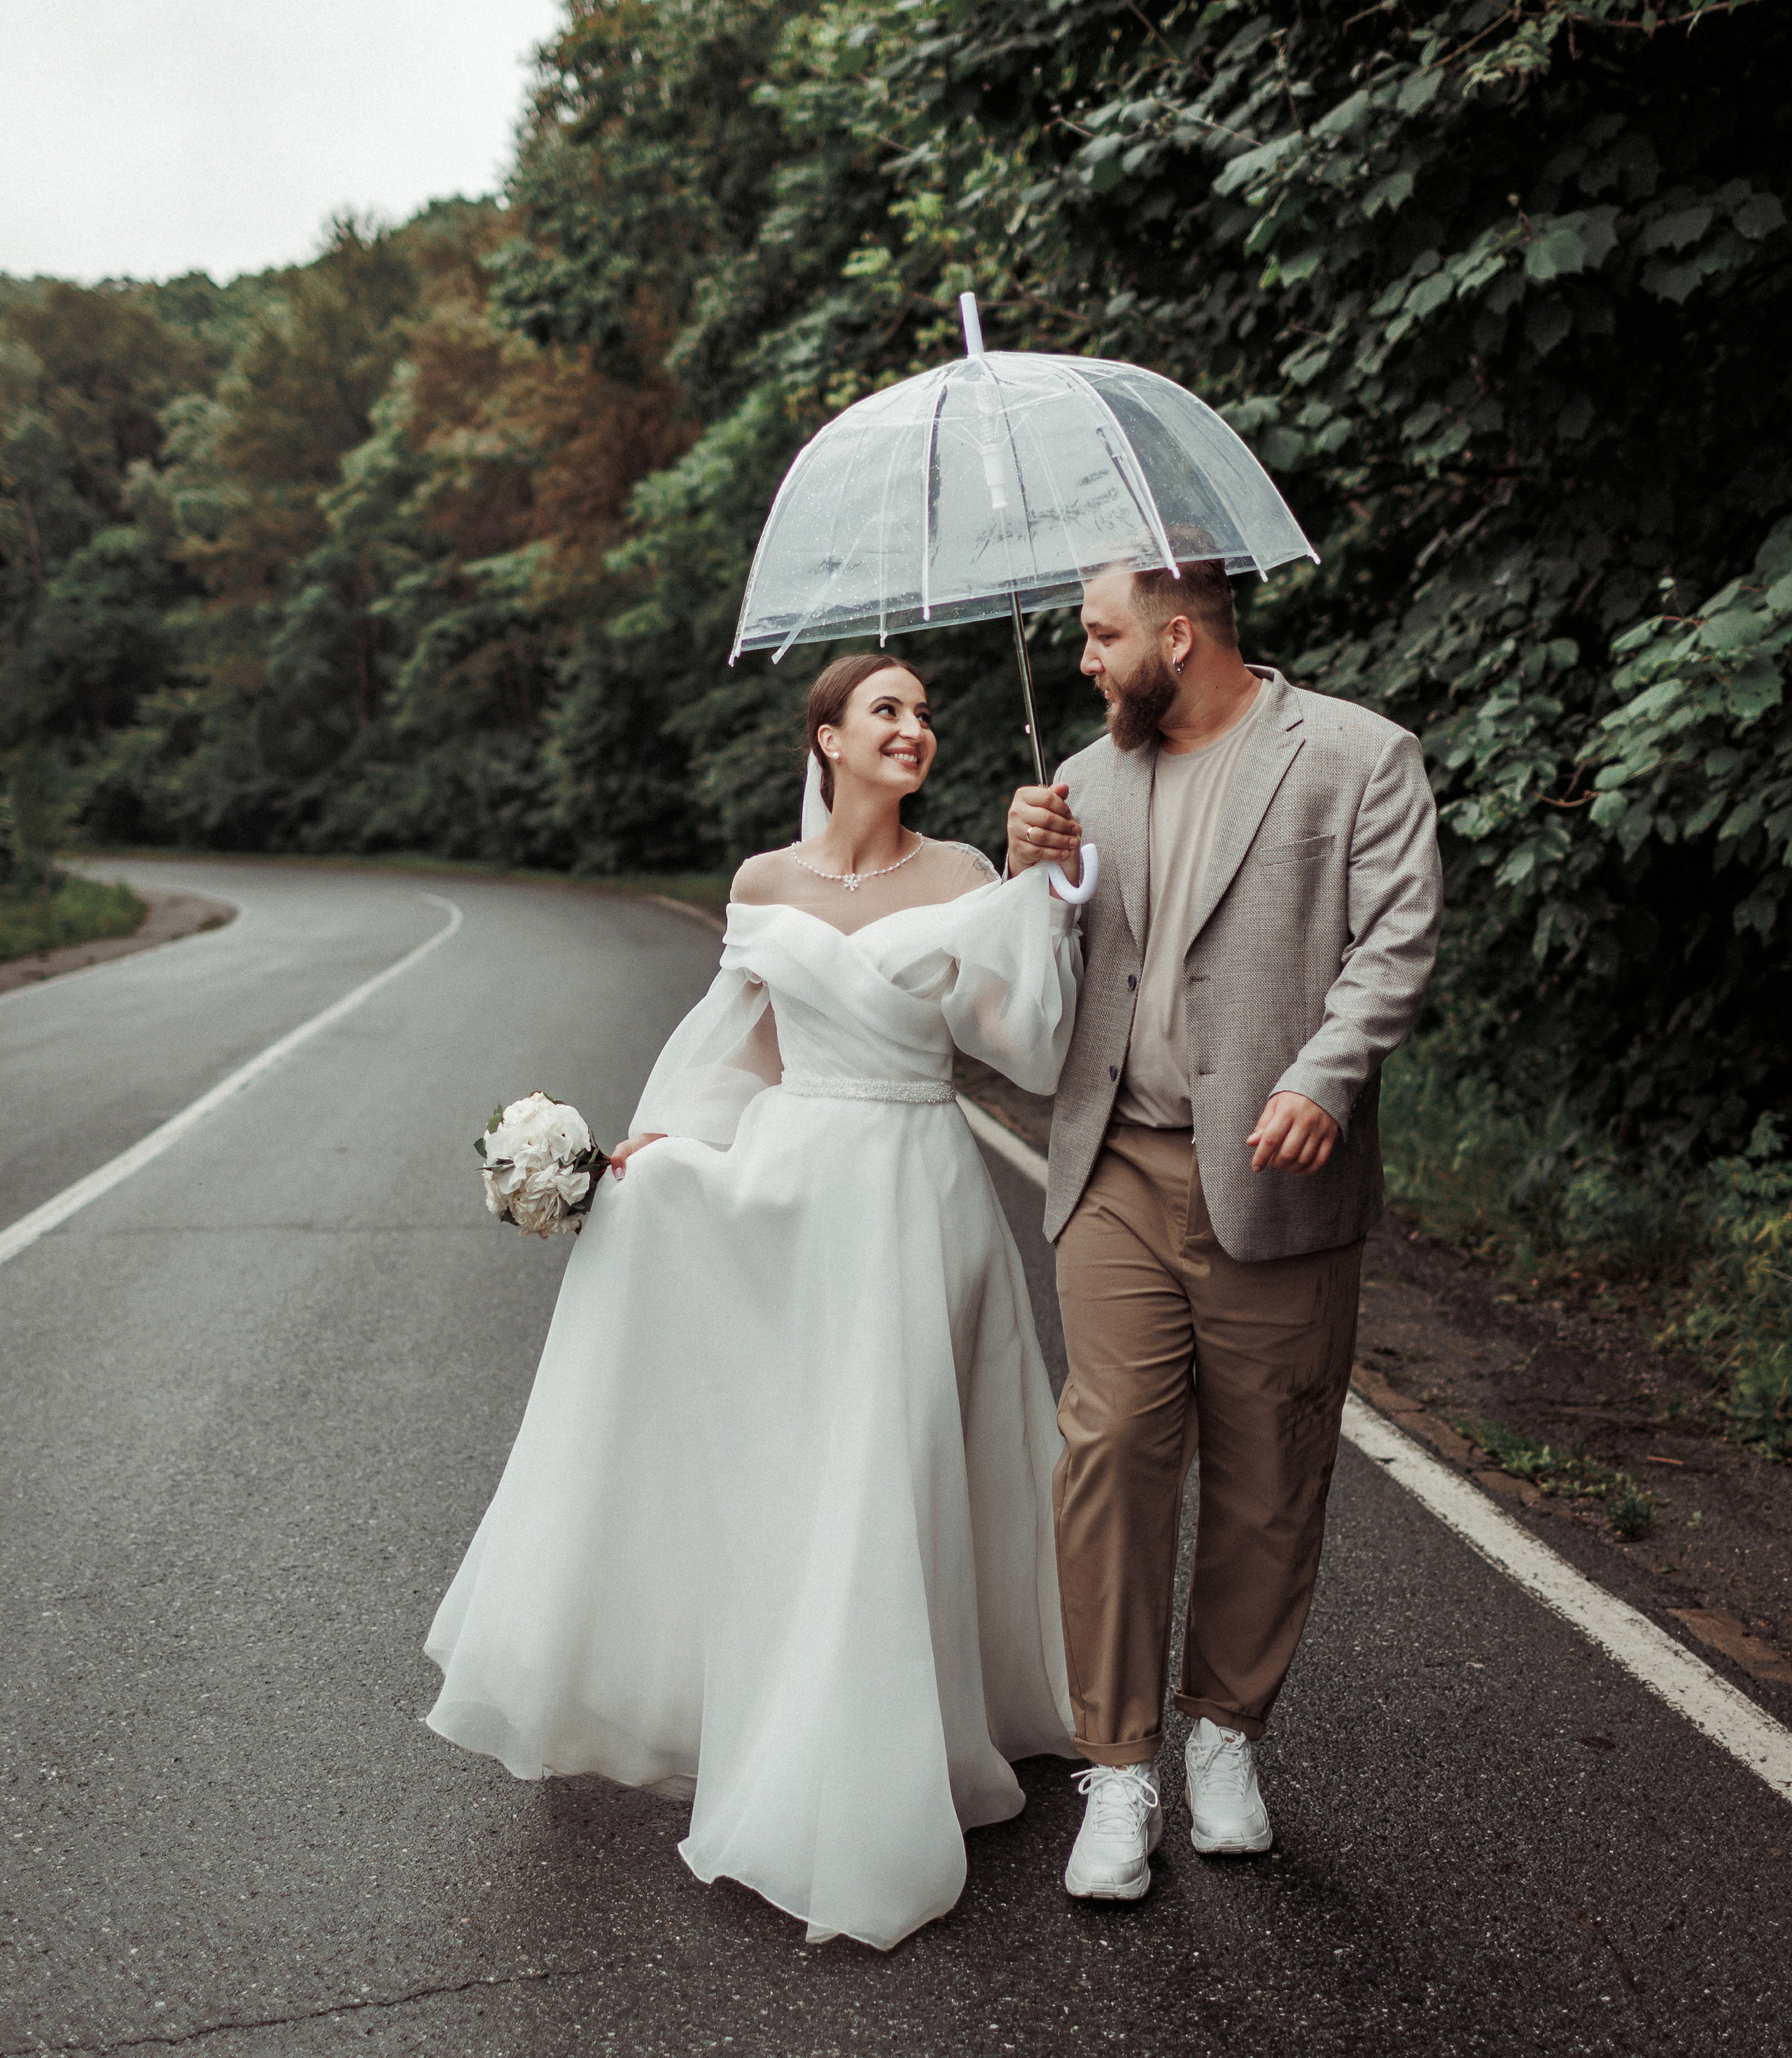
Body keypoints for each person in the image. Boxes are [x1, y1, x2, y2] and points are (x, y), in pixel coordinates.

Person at [426, 652, 1082, 1949]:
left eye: (924, 713)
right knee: (813, 1459)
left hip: (916, 1187)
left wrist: (1037, 902)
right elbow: (752, 1046)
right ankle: (798, 1716)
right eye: (886, 710)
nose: (915, 728)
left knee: (899, 1453)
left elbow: (1027, 1048)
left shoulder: (966, 874)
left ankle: (915, 1729)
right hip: (795, 1179)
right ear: (827, 737)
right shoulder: (763, 884)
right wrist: (670, 1145)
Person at [1005, 557, 1442, 1898]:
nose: (1087, 658)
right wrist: (1033, 879)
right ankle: (1117, 1767)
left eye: (1104, 634)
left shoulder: (1358, 755)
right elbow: (1038, 976)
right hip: (1115, 1165)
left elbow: (1397, 941)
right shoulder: (1082, 780)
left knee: (1272, 1467)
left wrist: (1325, 1076)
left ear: (1179, 636)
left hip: (1275, 1169)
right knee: (1111, 1448)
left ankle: (1227, 1735)